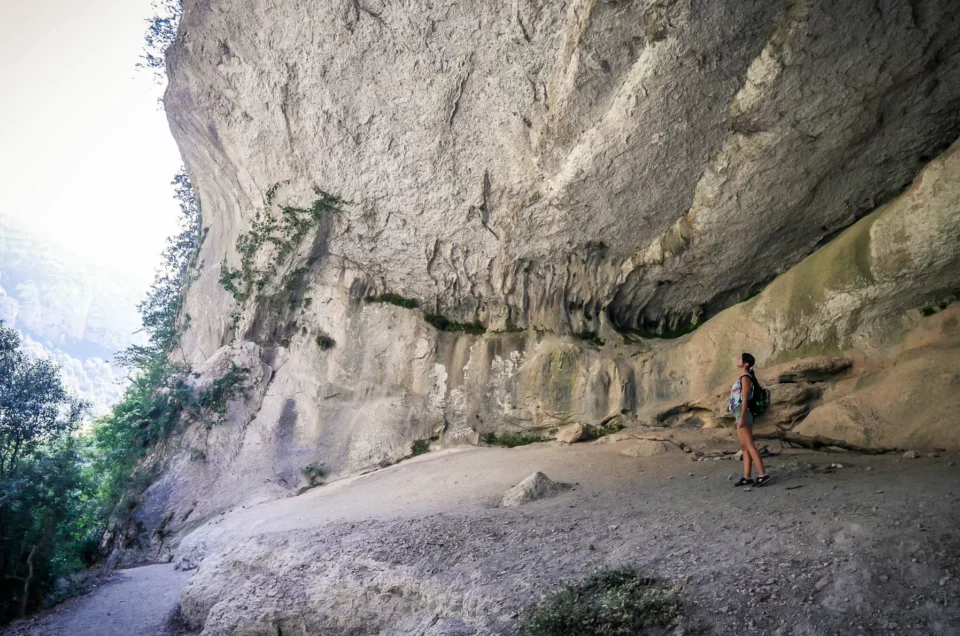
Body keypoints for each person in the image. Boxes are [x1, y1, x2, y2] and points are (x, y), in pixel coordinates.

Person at [730, 353, 770, 487]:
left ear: (746, 364)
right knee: (744, 446)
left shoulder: (745, 377)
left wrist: (742, 417)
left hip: (743, 411)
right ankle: (747, 477)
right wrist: (738, 417)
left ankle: (763, 475)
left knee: (749, 445)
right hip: (739, 412)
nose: (738, 360)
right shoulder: (743, 377)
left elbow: (745, 399)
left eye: (740, 358)